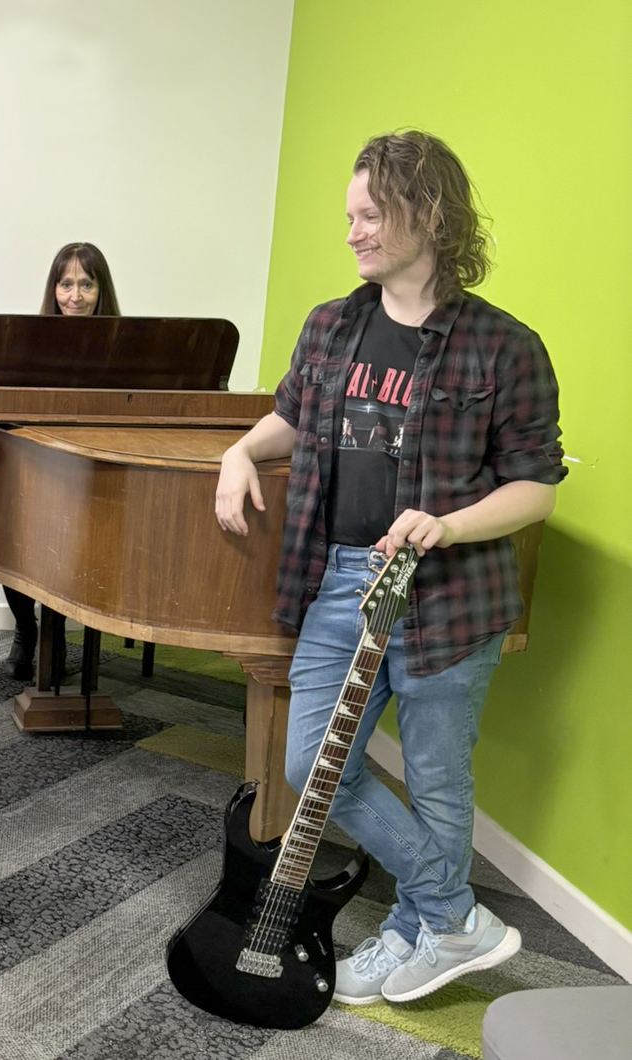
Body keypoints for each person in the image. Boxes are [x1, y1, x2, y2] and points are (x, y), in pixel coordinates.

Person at [215, 131, 564, 1005]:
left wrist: (444, 525)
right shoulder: (331, 327)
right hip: (341, 580)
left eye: (371, 215)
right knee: (309, 764)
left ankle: (422, 926)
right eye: (351, 216)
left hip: (451, 595)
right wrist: (239, 453)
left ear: (429, 215)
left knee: (441, 778)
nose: (354, 233)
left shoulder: (504, 346)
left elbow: (536, 489)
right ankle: (453, 914)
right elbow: (292, 419)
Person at [2, 242, 122, 680]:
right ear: (54, 289)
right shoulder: (29, 341)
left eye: (86, 284)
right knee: (8, 539)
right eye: (66, 284)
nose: (75, 296)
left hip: (97, 468)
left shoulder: (128, 344)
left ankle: (65, 634)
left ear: (100, 289)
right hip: (41, 464)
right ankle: (26, 630)